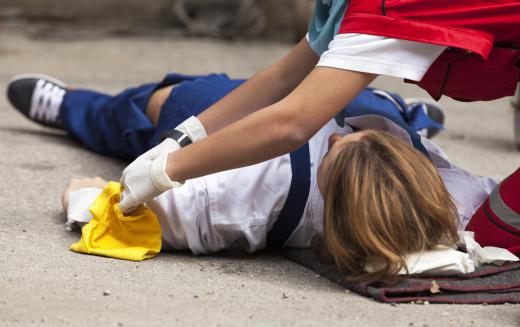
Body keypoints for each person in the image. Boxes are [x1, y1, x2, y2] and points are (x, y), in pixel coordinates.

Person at [7, 73, 495, 281]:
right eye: (373, 141)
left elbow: (116, 209)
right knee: (379, 110)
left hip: (241, 132)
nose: (337, 138)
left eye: (335, 151)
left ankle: (76, 105)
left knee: (161, 104)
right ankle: (405, 115)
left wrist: (83, 196)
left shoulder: (244, 199)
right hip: (349, 95)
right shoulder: (459, 199)